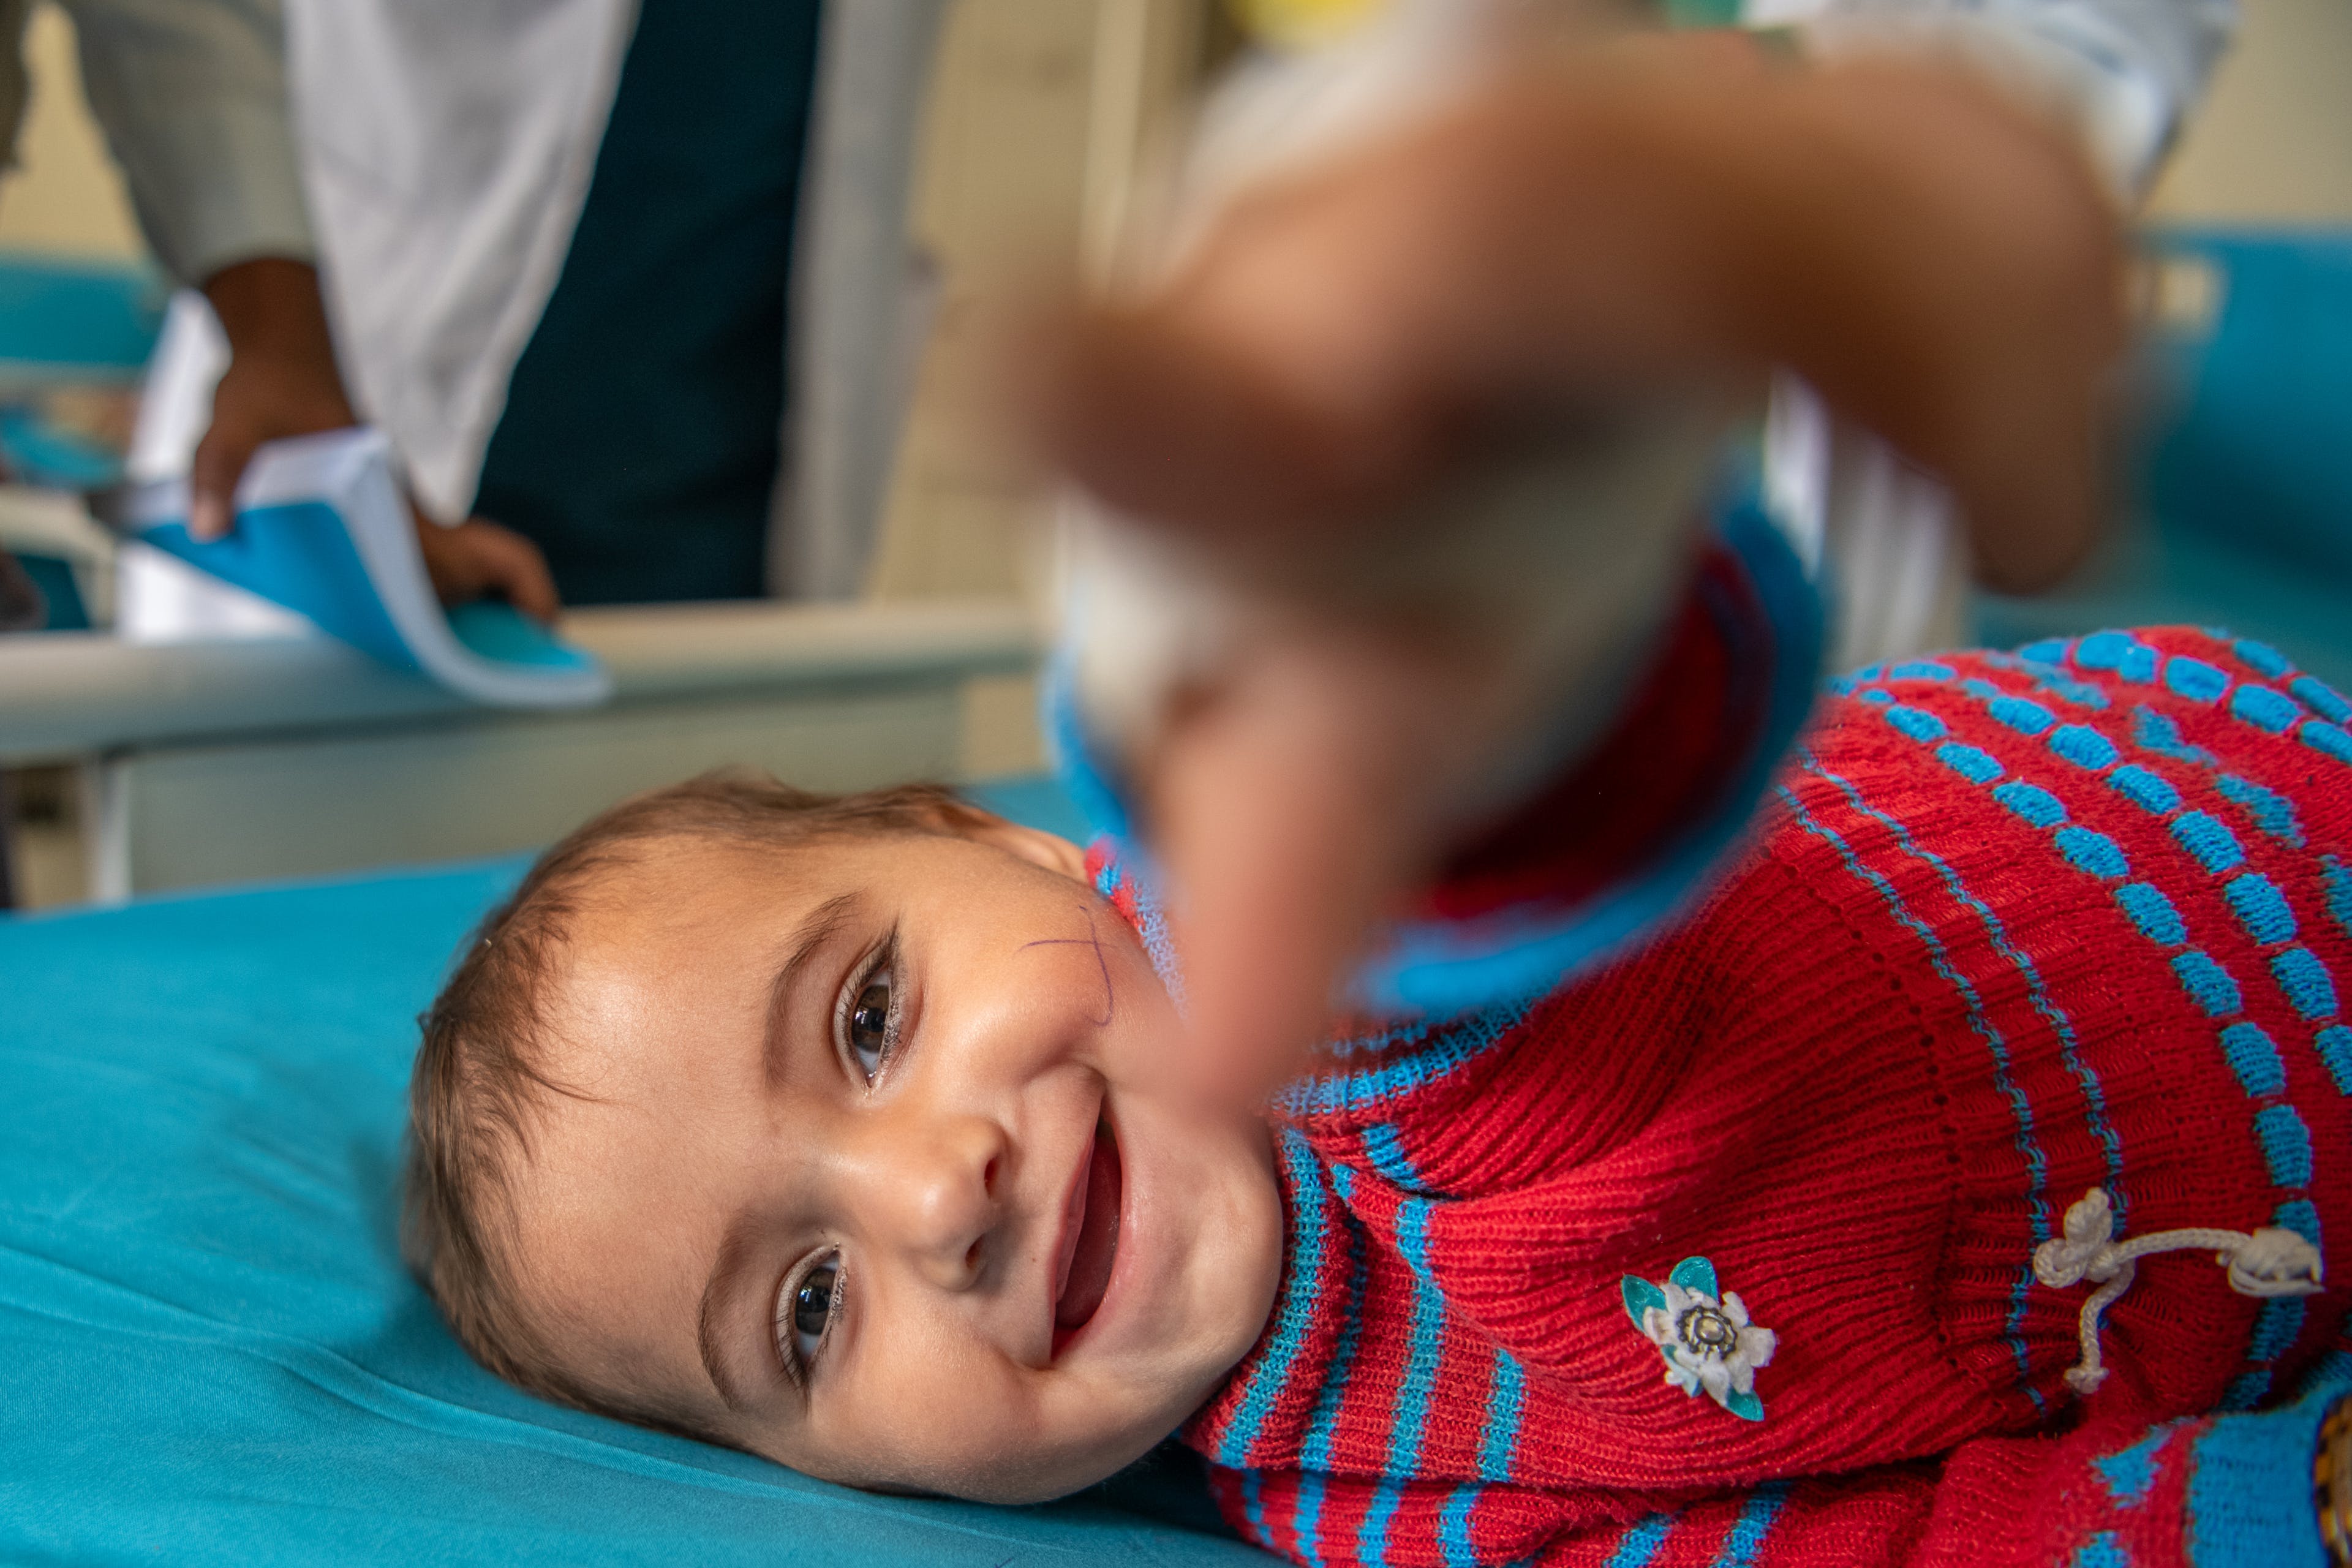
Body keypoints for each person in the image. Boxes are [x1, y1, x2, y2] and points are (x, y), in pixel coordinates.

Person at [398, 604, 2352, 1561]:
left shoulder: (1293, 967)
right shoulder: (1381, 1508)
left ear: (1003, 844)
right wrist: (2268, 1516)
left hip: (2197, 797)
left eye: (867, 1018)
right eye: (807, 1308)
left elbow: (1447, 849)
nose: (935, 1193)